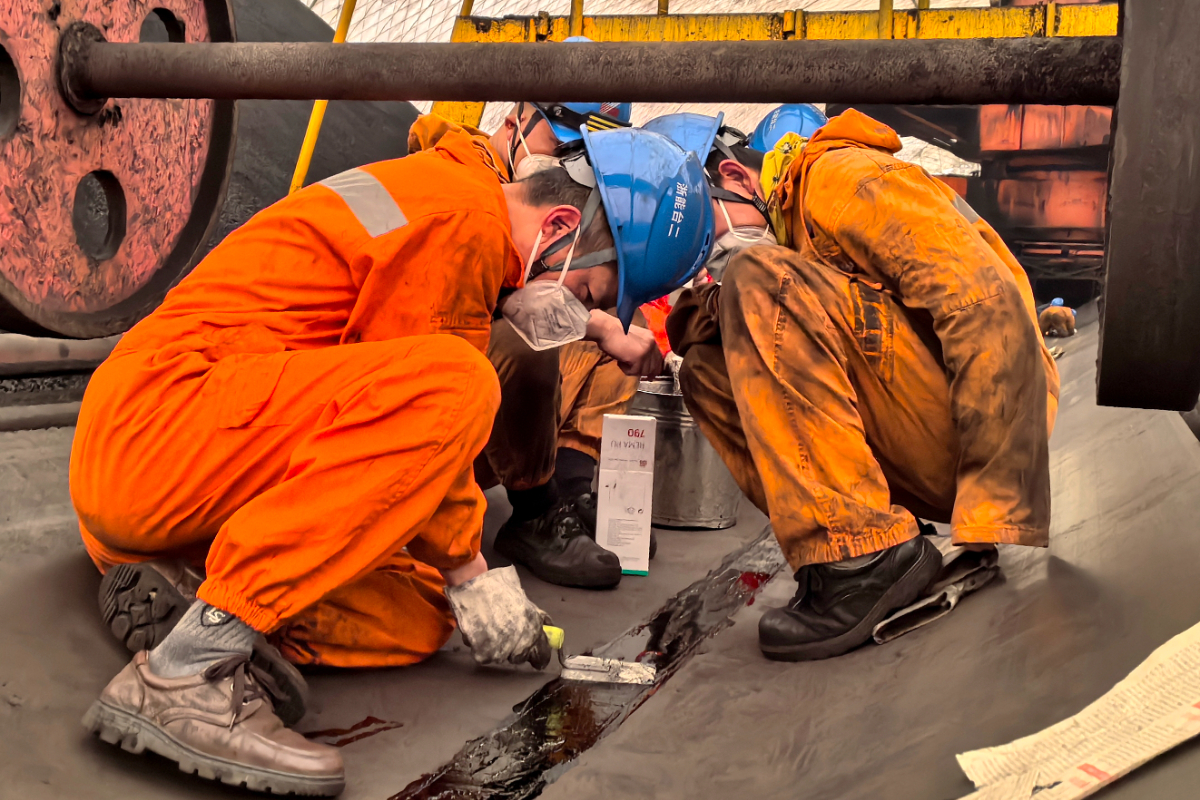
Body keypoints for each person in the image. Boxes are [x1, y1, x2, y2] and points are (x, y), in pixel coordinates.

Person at [71, 125, 712, 795]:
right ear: (558, 226)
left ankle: (195, 587)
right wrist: (475, 575)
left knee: (424, 610)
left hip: (175, 482)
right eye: (585, 295)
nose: (576, 314)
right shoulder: (459, 222)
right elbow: (428, 410)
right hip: (152, 434)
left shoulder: (463, 199)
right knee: (462, 384)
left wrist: (460, 586)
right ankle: (192, 667)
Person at [667, 105, 1060, 663]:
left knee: (757, 277)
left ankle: (863, 559)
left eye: (707, 234)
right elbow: (698, 329)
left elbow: (983, 304)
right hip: (918, 429)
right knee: (706, 365)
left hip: (977, 437)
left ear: (733, 176)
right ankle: (859, 545)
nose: (712, 254)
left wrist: (996, 499)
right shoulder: (792, 231)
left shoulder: (843, 177)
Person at [411, 88, 664, 590]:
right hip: (421, 414)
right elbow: (458, 318)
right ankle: (534, 509)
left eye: (581, 154)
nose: (567, 162)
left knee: (614, 316)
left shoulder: (547, 215)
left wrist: (604, 322)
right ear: (518, 120)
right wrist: (599, 326)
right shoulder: (459, 184)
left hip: (471, 412)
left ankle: (568, 485)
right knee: (533, 336)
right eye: (562, 143)